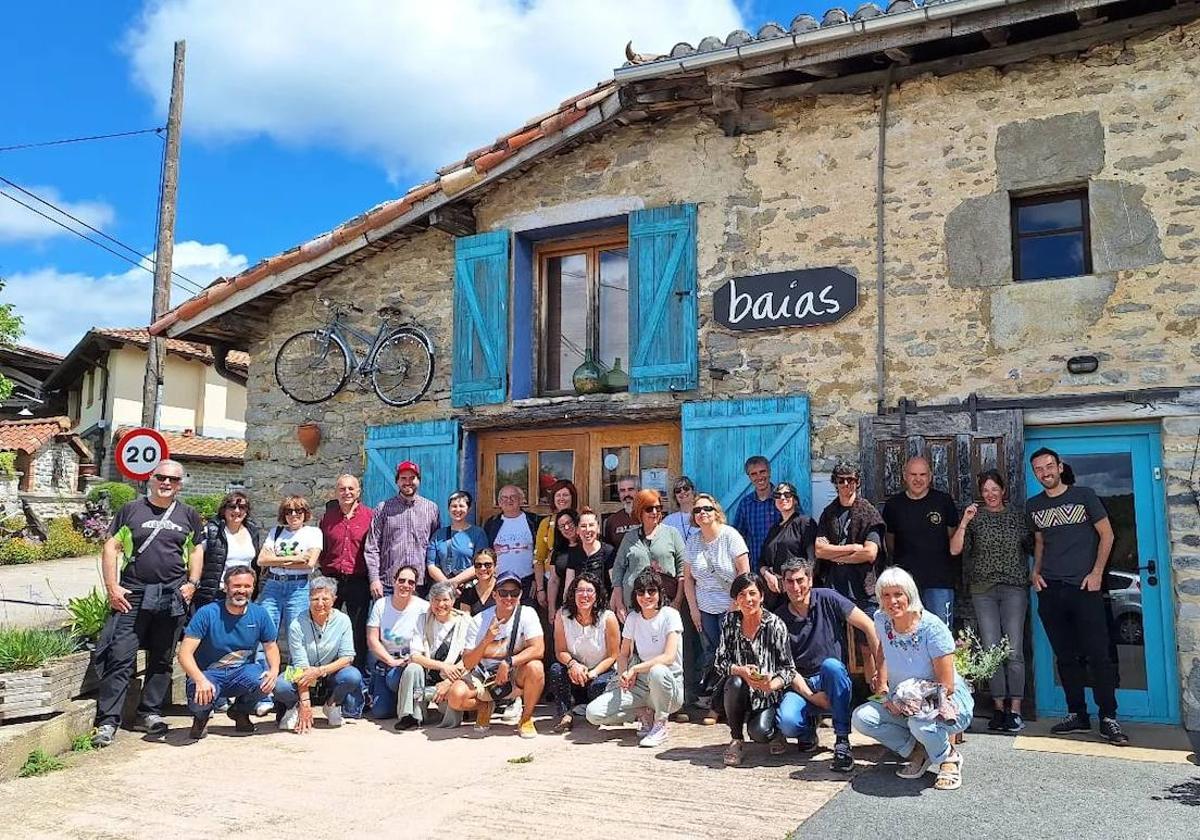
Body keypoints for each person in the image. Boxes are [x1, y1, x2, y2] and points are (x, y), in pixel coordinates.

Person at [91, 459, 203, 747]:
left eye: (173, 480)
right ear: (151, 479)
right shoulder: (131, 510)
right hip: (133, 594)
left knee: (162, 658)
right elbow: (111, 548)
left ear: (180, 484)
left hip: (172, 595)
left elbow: (196, 550)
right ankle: (108, 721)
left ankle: (150, 712)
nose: (167, 483)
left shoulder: (188, 515)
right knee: (120, 657)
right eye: (162, 477)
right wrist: (112, 587)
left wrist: (192, 583)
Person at [1027, 447, 1127, 745]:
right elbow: (1040, 542)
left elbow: (1107, 535)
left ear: (1059, 467)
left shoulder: (1084, 496)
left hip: (1084, 588)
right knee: (1066, 656)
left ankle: (1108, 717)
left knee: (1098, 655)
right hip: (1051, 590)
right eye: (1039, 470)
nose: (1045, 473)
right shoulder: (1033, 505)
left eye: (1049, 467)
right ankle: (1077, 714)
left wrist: (1097, 573)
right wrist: (1035, 572)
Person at [852, 566, 974, 791]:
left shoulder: (932, 629)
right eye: (886, 595)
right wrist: (882, 684)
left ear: (910, 594)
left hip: (946, 702)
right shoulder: (882, 619)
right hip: (903, 699)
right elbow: (882, 650)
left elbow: (946, 687)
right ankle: (918, 751)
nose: (892, 601)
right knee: (862, 718)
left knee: (920, 724)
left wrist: (907, 705)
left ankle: (948, 758)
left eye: (898, 594)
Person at [775, 558, 878, 772]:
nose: (796, 587)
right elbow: (786, 667)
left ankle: (842, 741)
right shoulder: (779, 618)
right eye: (790, 582)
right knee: (787, 723)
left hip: (832, 679)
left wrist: (880, 670)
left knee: (832, 666)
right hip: (801, 683)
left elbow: (869, 625)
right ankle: (807, 730)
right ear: (783, 585)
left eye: (800, 580)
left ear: (810, 579)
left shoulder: (828, 598)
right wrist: (812, 696)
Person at [950, 469, 1030, 733]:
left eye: (995, 489)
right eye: (985, 490)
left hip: (1014, 588)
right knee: (990, 651)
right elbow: (955, 550)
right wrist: (964, 521)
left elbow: (1035, 544)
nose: (990, 494)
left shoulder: (1017, 516)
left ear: (1003, 490)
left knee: (1014, 650)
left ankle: (1015, 709)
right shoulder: (975, 518)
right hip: (983, 589)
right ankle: (998, 708)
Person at [177, 565, 281, 740]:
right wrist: (200, 680)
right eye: (236, 586)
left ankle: (240, 712)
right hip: (209, 674)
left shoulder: (260, 614)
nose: (242, 591)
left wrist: (274, 671)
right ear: (226, 587)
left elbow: (271, 646)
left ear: (253, 588)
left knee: (265, 681)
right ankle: (201, 718)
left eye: (247, 586)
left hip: (241, 673)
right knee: (198, 690)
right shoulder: (207, 613)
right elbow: (184, 654)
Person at [586, 569, 685, 747]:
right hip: (640, 685)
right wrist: (624, 674)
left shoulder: (670, 615)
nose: (646, 596)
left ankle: (660, 723)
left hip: (668, 685)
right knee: (593, 713)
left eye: (651, 591)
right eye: (641, 592)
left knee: (658, 671)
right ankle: (644, 713)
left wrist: (635, 669)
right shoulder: (633, 617)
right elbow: (623, 654)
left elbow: (669, 657)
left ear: (660, 593)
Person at [447, 570, 545, 739]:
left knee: (536, 667)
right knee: (455, 697)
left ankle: (526, 717)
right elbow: (468, 663)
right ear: (494, 595)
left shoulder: (527, 613)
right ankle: (484, 705)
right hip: (483, 675)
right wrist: (487, 639)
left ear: (520, 595)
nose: (509, 598)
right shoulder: (478, 620)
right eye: (503, 593)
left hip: (513, 672)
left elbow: (538, 649)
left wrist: (508, 662)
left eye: (514, 593)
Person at [712, 573, 795, 766]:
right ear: (736, 600)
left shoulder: (775, 625)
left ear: (762, 596)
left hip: (767, 693)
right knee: (734, 681)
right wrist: (740, 670)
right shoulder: (730, 622)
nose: (748, 599)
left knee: (760, 733)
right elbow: (719, 663)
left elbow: (789, 669)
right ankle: (736, 739)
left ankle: (776, 732)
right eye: (742, 595)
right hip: (740, 690)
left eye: (752, 593)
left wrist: (772, 684)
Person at [683, 492, 750, 712]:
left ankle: (730, 705)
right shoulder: (693, 542)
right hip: (705, 608)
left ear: (716, 511)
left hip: (730, 606)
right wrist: (694, 610)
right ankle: (718, 702)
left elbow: (744, 573)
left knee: (731, 653)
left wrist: (736, 604)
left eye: (707, 509)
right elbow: (688, 579)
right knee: (712, 655)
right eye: (697, 510)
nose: (702, 513)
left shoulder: (730, 536)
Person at [814, 462, 885, 667]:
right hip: (835, 587)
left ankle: (879, 687)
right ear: (835, 483)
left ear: (858, 482)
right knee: (836, 643)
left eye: (851, 480)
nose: (846, 484)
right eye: (841, 480)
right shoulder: (829, 513)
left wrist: (835, 555)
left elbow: (870, 553)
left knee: (869, 642)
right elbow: (819, 550)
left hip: (863, 587)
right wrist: (853, 547)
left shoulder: (868, 512)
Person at [273, 575, 365, 731]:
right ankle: (292, 707)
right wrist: (305, 703)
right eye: (315, 599)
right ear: (309, 599)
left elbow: (347, 657)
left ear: (334, 599)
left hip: (329, 670)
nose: (320, 604)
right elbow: (300, 665)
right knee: (280, 685)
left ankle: (332, 705)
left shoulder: (343, 620)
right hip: (299, 670)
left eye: (325, 599)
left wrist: (320, 671)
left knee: (352, 676)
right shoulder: (297, 623)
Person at [883, 456, 961, 627]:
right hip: (905, 584)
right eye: (913, 474)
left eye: (923, 474)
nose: (918, 479)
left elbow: (952, 537)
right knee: (908, 633)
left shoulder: (943, 501)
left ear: (930, 476)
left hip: (939, 582)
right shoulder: (893, 506)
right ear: (904, 476)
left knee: (941, 636)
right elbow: (890, 543)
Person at [257, 495, 322, 671]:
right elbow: (262, 560)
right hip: (273, 585)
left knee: (296, 634)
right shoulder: (276, 532)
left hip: (298, 587)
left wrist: (276, 559)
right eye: (289, 511)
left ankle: (293, 685)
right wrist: (296, 557)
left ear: (305, 513)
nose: (294, 514)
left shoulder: (313, 533)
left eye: (298, 510)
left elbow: (309, 563)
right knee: (265, 632)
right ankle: (264, 684)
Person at [550, 571, 620, 731]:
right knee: (556, 670)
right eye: (580, 591)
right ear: (573, 594)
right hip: (575, 672)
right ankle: (565, 715)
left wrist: (593, 673)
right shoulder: (562, 615)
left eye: (589, 591)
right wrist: (572, 664)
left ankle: (593, 709)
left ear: (597, 595)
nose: (584, 595)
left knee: (597, 687)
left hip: (600, 671)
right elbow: (560, 650)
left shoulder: (608, 617)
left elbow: (613, 655)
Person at [318, 474, 374, 673]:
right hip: (331, 579)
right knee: (324, 626)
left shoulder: (370, 516)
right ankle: (323, 675)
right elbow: (321, 547)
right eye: (342, 489)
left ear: (358, 492)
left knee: (357, 629)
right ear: (336, 492)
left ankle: (356, 676)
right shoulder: (327, 518)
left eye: (351, 489)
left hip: (358, 579)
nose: (347, 493)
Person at [365, 460, 441, 598]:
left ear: (419, 480)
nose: (408, 482)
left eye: (412, 478)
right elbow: (372, 547)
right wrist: (374, 579)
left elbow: (435, 546)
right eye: (403, 478)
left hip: (419, 584)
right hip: (389, 583)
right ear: (397, 481)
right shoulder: (383, 509)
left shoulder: (431, 509)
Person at [366, 565, 430, 724]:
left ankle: (412, 707)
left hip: (410, 662)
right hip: (387, 661)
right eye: (401, 580)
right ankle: (394, 698)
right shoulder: (381, 605)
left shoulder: (424, 607)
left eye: (411, 582)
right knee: (380, 712)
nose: (405, 585)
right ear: (394, 582)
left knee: (396, 680)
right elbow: (372, 639)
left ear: (415, 586)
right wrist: (391, 661)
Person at [611, 489, 687, 621]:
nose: (655, 512)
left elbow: (683, 570)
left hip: (666, 603)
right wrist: (619, 604)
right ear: (640, 511)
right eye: (649, 509)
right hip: (634, 605)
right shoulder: (630, 537)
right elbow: (618, 570)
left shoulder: (672, 534)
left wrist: (678, 601)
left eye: (658, 508)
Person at [408, 580, 472, 728]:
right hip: (430, 673)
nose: (440, 604)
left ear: (453, 601)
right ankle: (412, 716)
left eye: (445, 600)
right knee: (412, 669)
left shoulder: (465, 621)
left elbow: (470, 659)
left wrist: (448, 680)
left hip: (455, 676)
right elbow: (415, 656)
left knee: (446, 707)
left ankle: (459, 709)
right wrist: (443, 666)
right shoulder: (422, 619)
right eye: (436, 600)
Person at [194, 490, 262, 611]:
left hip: (243, 593)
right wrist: (194, 582)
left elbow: (255, 565)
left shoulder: (252, 531)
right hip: (216, 593)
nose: (237, 511)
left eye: (242, 507)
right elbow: (196, 555)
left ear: (246, 511)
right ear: (224, 510)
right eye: (232, 507)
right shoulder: (211, 530)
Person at [759, 480, 815, 606]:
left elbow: (812, 560)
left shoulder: (805, 523)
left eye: (787, 495)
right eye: (778, 496)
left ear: (795, 499)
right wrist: (768, 576)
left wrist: (803, 584)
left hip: (797, 591)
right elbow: (762, 560)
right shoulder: (774, 529)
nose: (782, 498)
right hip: (774, 594)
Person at [483, 485, 542, 603]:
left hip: (527, 582)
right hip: (499, 583)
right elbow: (486, 553)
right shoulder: (492, 523)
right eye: (504, 498)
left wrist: (537, 581)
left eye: (513, 497)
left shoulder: (534, 521)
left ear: (521, 500)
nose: (508, 500)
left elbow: (540, 553)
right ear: (499, 502)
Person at [426, 489, 488, 590]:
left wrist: (455, 582)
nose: (457, 510)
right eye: (454, 506)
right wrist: (447, 585)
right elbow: (431, 565)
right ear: (448, 509)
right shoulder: (438, 535)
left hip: (469, 589)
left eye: (461, 506)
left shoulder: (478, 534)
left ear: (469, 508)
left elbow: (480, 563)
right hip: (444, 590)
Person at [533, 479, 578, 608]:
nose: (561, 498)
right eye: (558, 495)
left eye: (565, 495)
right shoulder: (546, 524)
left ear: (572, 498)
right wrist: (540, 589)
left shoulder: (581, 520)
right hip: (553, 581)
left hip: (578, 580)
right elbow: (539, 559)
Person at [731, 455, 781, 572]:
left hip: (782, 568)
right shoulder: (745, 504)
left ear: (769, 472)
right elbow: (737, 537)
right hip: (755, 568)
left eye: (762, 471)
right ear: (749, 477)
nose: (759, 477)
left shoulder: (783, 499)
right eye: (753, 474)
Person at [563, 508, 616, 602]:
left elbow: (615, 586)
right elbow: (568, 587)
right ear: (577, 530)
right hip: (580, 605)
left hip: (603, 605)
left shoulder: (608, 551)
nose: (587, 530)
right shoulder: (574, 553)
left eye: (591, 525)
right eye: (583, 526)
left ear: (598, 528)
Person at [545, 508, 580, 613]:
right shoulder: (558, 551)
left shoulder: (588, 547)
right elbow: (554, 580)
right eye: (562, 526)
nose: (567, 527)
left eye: (569, 523)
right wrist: (551, 608)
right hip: (563, 605)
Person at [602, 474, 640, 548]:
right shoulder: (612, 521)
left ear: (639, 491)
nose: (626, 494)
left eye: (630, 489)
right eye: (622, 490)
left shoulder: (648, 516)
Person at [458, 548, 499, 615]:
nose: (482, 568)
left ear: (495, 566)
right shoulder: (467, 592)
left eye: (487, 565)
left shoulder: (503, 588)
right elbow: (465, 620)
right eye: (478, 565)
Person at [663, 476, 699, 542]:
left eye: (686, 488)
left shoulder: (701, 515)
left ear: (693, 491)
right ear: (675, 496)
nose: (682, 492)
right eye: (678, 491)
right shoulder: (668, 521)